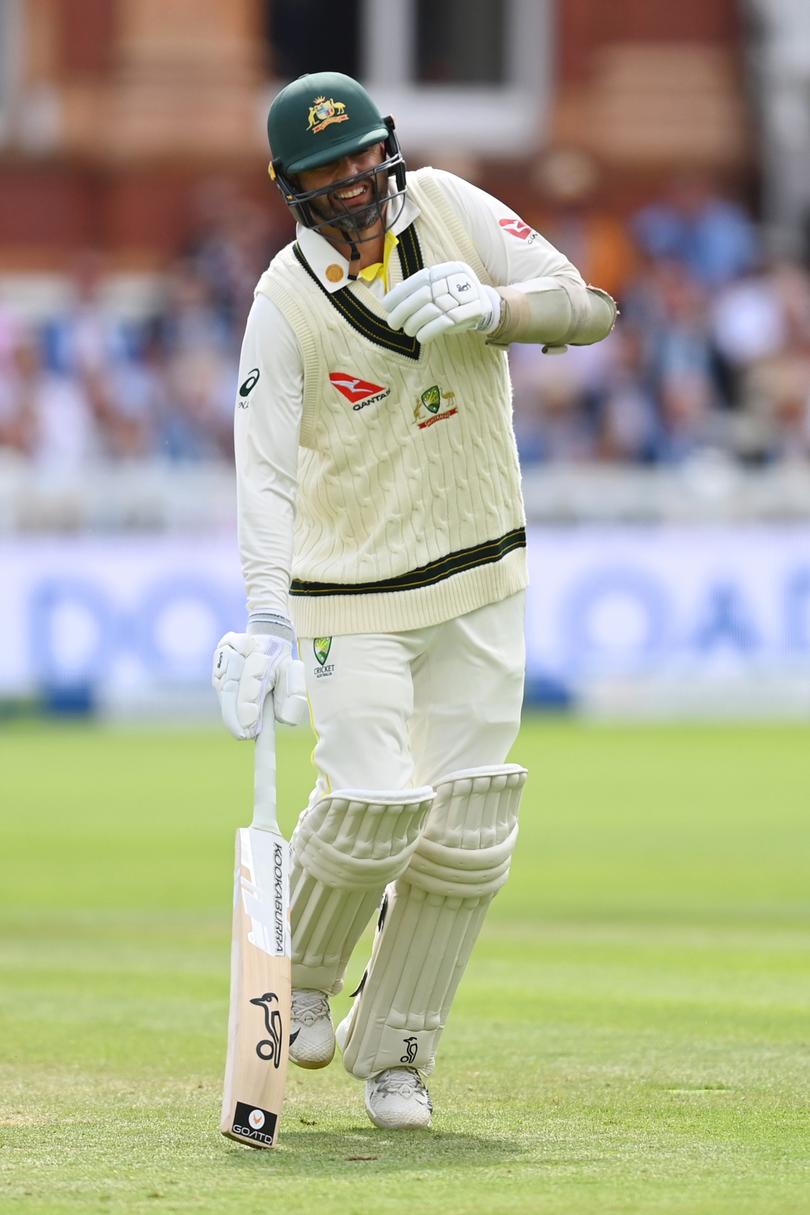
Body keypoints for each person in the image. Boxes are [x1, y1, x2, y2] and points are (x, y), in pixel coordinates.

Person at [212, 71, 616, 1130]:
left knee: (470, 831)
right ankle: (297, 984)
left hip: (483, 565)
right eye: (324, 170)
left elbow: (592, 307)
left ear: (385, 147)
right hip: (350, 591)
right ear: (291, 187)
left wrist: (499, 309)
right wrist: (265, 619)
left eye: (359, 156)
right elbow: (263, 473)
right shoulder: (284, 300)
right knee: (369, 806)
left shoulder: (449, 203)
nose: (351, 181)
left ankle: (395, 1053)